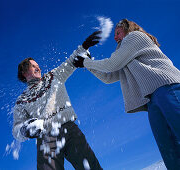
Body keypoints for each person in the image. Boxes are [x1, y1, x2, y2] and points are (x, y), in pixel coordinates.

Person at [73, 19, 180, 169]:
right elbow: (108, 77)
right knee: (169, 150)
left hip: (167, 87)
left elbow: (112, 64)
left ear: (127, 28)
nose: (115, 37)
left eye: (117, 33)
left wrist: (85, 62)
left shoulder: (134, 36)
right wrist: (89, 64)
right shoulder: (124, 54)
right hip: (152, 99)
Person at [12, 32, 103, 170]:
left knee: (90, 167)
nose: (39, 68)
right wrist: (26, 130)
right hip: (46, 137)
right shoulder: (21, 100)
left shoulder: (53, 77)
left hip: (69, 129)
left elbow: (70, 62)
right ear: (24, 72)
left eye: (38, 65)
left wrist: (84, 47)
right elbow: (16, 129)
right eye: (33, 66)